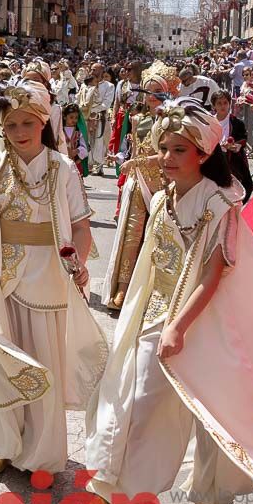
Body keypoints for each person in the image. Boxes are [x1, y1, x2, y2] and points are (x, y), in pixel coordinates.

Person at [81, 98, 253, 504]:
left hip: (209, 320)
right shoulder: (160, 198)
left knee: (214, 414)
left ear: (203, 154)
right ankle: (105, 493)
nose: (168, 158)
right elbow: (152, 266)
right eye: (165, 148)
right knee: (134, 397)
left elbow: (215, 274)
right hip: (157, 314)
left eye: (179, 150)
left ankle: (208, 499)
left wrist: (180, 326)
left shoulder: (220, 206)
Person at [0, 81, 105, 477]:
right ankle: (0, 444)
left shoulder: (63, 168)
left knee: (44, 367)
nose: (20, 132)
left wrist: (78, 263)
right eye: (10, 125)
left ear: (43, 122)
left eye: (27, 122)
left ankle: (42, 455)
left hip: (49, 280)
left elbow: (81, 227)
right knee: (0, 364)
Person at [102, 61, 178, 314]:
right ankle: (124, 286)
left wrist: (137, 161)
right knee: (133, 233)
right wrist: (123, 160)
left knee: (159, 235)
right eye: (148, 93)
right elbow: (133, 151)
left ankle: (158, 289)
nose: (152, 99)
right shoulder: (137, 120)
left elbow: (167, 155)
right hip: (139, 182)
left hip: (164, 183)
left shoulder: (173, 120)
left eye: (158, 93)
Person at [210, 91, 252, 203]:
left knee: (238, 188)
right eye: (219, 103)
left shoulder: (237, 122)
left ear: (229, 104)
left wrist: (236, 146)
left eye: (225, 103)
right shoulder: (209, 122)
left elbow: (242, 138)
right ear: (214, 105)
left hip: (233, 161)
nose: (223, 106)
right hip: (214, 161)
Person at [61, 103, 89, 173]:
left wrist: (76, 151)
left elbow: (85, 148)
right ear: (64, 117)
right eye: (71, 117)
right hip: (62, 162)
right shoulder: (60, 131)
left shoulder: (79, 132)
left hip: (75, 163)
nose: (74, 120)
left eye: (76, 118)